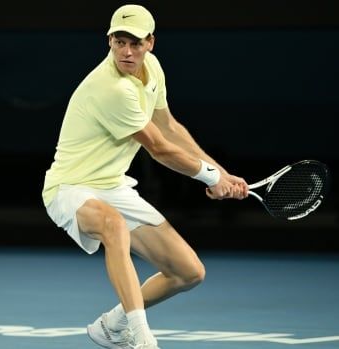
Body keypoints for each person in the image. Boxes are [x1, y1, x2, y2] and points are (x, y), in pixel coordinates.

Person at [42, 4, 249, 349]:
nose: (127, 51)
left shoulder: (150, 68)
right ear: (109, 40)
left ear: (150, 43)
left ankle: (111, 325)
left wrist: (221, 173)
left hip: (112, 185)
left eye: (135, 43)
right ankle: (142, 338)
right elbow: (159, 148)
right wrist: (211, 179)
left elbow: (169, 127)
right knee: (113, 225)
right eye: (119, 42)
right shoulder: (112, 88)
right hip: (69, 188)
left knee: (188, 272)